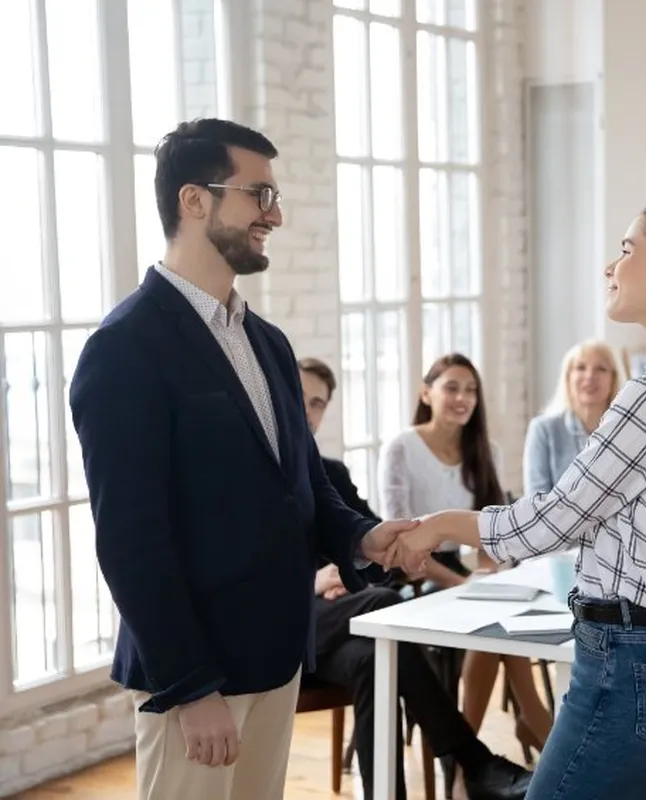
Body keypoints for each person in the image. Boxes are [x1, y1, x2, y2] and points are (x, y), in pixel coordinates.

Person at [68, 119, 414, 800]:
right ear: (194, 201)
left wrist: (361, 536)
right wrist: (190, 687)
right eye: (259, 195)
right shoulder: (123, 349)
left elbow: (304, 487)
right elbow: (131, 541)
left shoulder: (269, 344)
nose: (275, 215)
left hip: (276, 660)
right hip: (198, 680)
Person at [396, 200, 646, 798]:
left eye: (626, 249)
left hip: (638, 664)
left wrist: (438, 525)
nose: (610, 266)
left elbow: (548, 522)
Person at [298, 357, 533, 800]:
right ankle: (473, 760)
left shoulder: (329, 474)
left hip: (335, 622)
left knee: (375, 658)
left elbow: (371, 541)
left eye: (318, 403)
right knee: (387, 609)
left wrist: (350, 575)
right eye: (299, 398)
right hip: (283, 621)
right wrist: (314, 582)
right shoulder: (254, 476)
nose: (307, 411)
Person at [378, 355, 554, 758]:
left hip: (466, 574)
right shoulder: (401, 448)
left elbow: (494, 534)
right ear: (427, 393)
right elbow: (401, 544)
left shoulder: (484, 449)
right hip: (412, 578)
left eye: (471, 390)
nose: (463, 398)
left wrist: (489, 575)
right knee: (493, 626)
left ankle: (467, 759)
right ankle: (533, 723)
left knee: (498, 622)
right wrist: (463, 584)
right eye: (452, 387)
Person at [523, 340, 622, 493]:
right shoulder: (543, 429)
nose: (589, 376)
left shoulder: (625, 430)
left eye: (601, 369)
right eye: (581, 368)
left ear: (613, 379)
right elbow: (536, 501)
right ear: (568, 377)